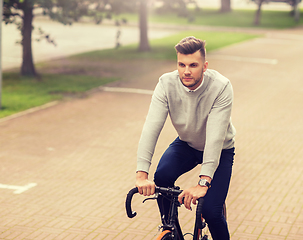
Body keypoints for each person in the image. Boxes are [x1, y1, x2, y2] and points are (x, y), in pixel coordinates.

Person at [135, 36, 236, 240]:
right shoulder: (166, 83)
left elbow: (215, 139)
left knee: (211, 212)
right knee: (161, 177)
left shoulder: (221, 86)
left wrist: (203, 182)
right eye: (181, 64)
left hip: (220, 150)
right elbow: (151, 128)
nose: (186, 71)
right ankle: (171, 229)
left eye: (193, 65)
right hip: (187, 143)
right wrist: (141, 173)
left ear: (205, 66)